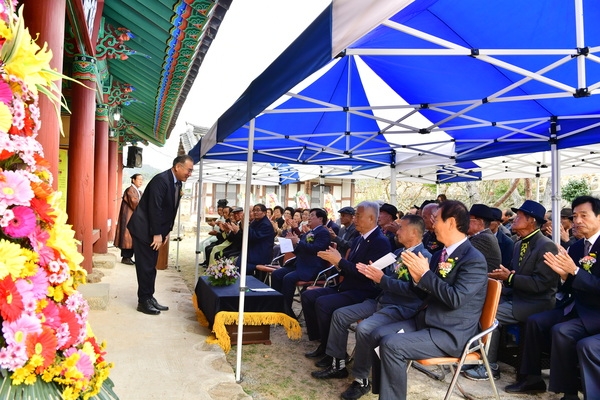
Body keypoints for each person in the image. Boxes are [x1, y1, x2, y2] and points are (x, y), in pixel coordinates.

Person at [373, 200, 488, 399]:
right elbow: (421, 293)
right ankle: (383, 393)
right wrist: (417, 279)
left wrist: (425, 275)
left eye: (436, 220)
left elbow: (455, 299)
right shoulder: (438, 255)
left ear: (451, 222)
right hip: (426, 322)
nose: (431, 225)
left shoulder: (474, 259)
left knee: (392, 345)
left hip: (451, 332)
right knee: (377, 334)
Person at [311, 214, 432, 400]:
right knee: (340, 315)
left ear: (414, 232)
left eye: (401, 228)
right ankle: (338, 363)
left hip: (401, 308)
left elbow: (414, 292)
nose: (396, 231)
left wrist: (381, 279)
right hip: (380, 301)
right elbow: (384, 281)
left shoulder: (424, 258)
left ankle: (361, 379)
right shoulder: (398, 254)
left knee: (364, 328)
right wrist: (373, 275)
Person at [505, 196, 600, 398]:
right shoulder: (575, 248)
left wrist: (574, 272)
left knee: (562, 331)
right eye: (575, 216)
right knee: (535, 322)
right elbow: (569, 285)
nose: (577, 221)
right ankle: (532, 379)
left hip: (594, 311)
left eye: (584, 215)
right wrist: (565, 276)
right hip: (574, 306)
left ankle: (569, 393)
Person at [465, 199, 559, 381]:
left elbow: (542, 284)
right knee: (481, 305)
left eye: (519, 216)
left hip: (537, 303)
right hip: (518, 297)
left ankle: (489, 367)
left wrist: (509, 277)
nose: (514, 218)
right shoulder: (518, 243)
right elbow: (513, 277)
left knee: (492, 314)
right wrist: (503, 279)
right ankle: (477, 357)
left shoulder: (546, 245)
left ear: (531, 220)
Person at [302, 201, 391, 363]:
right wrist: (337, 262)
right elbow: (348, 268)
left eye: (358, 215)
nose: (355, 219)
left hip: (364, 292)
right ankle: (323, 342)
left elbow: (366, 275)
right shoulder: (359, 238)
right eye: (355, 215)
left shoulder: (381, 242)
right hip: (347, 286)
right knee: (308, 296)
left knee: (323, 303)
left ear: (371, 218)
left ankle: (334, 354)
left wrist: (340, 261)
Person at [128, 155, 193, 315]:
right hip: (145, 230)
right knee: (145, 267)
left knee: (151, 266)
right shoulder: (161, 180)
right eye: (189, 170)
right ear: (178, 167)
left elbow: (169, 211)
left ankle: (149, 297)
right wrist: (157, 234)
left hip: (156, 231)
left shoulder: (176, 183)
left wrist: (166, 233)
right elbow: (154, 208)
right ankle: (143, 301)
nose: (190, 173)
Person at [271, 208, 331, 318]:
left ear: (320, 219)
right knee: (277, 274)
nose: (309, 218)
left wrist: (298, 241)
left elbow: (317, 249)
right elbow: (300, 250)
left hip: (312, 267)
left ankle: (287, 312)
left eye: (312, 215)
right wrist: (292, 243)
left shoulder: (323, 232)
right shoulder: (310, 232)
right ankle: (276, 307)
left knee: (288, 278)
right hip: (300, 264)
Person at [114, 173, 143, 265]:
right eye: (139, 180)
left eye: (142, 180)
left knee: (131, 238)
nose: (141, 182)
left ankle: (129, 257)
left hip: (133, 218)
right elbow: (135, 203)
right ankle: (126, 257)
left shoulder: (138, 191)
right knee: (127, 238)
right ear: (133, 180)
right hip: (128, 217)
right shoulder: (130, 190)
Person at [239, 203, 276, 276]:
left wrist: (245, 225)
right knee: (241, 257)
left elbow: (254, 237)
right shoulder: (256, 221)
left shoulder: (266, 224)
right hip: (255, 248)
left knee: (243, 260)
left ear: (264, 212)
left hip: (262, 252)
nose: (255, 212)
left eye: (258, 210)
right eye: (254, 210)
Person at [467, 204, 502, 272]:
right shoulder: (485, 235)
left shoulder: (483, 238)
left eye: (468, 220)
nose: (465, 223)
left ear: (480, 222)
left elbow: (462, 256)